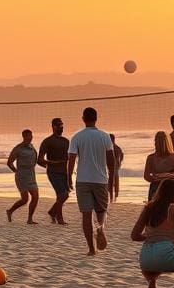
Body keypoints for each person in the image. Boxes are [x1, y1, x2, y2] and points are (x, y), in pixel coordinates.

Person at [67, 107, 115, 256]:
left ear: (83, 119)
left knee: (86, 215)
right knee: (101, 210)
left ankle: (91, 249)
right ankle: (100, 227)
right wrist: (111, 179)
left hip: (83, 179)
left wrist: (69, 177)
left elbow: (71, 159)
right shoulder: (105, 136)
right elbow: (111, 160)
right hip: (101, 180)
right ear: (96, 118)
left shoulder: (77, 137)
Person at [38, 117, 70, 225]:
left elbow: (70, 157)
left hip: (64, 172)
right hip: (53, 172)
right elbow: (40, 160)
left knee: (65, 195)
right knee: (62, 195)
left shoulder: (66, 141)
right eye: (59, 125)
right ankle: (59, 218)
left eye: (62, 125)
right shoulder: (47, 141)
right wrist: (52, 164)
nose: (61, 127)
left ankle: (52, 212)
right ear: (53, 127)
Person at [7, 129, 39, 224]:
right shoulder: (18, 148)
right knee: (25, 199)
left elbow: (34, 159)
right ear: (24, 136)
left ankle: (30, 219)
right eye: (29, 136)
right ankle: (10, 211)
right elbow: (9, 162)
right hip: (22, 176)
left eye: (31, 135)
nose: (31, 137)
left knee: (35, 197)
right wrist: (16, 171)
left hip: (31, 175)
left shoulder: (32, 146)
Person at [144, 131, 174, 200]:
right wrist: (156, 178)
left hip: (169, 185)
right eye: (156, 141)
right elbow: (146, 176)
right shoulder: (151, 157)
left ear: (166, 143)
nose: (157, 144)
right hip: (156, 185)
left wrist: (167, 175)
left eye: (160, 142)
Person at [109, 133, 124, 202]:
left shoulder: (113, 147)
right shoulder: (117, 148)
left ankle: (113, 197)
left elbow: (121, 156)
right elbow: (122, 155)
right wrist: (119, 162)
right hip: (115, 167)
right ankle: (114, 197)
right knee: (114, 181)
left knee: (112, 181)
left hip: (113, 167)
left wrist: (119, 162)